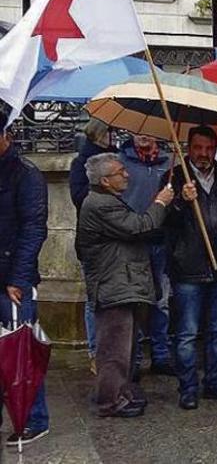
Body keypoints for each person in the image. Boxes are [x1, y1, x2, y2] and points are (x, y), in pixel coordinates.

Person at [76, 152, 181, 417]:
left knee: (126, 347)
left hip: (123, 283)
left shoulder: (109, 200)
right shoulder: (100, 204)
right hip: (114, 285)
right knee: (114, 351)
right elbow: (140, 226)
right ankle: (109, 401)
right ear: (105, 180)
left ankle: (120, 392)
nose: (127, 174)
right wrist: (160, 202)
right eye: (120, 172)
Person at [166, 126, 217, 410]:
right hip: (188, 268)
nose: (203, 154)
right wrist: (180, 202)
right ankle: (188, 387)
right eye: (198, 148)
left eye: (209, 149)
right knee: (187, 333)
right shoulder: (176, 177)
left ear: (215, 149)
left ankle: (215, 381)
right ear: (189, 148)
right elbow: (162, 223)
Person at [0, 122, 50, 445]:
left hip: (12, 280)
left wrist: (18, 278)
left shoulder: (26, 174)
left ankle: (33, 418)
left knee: (20, 352)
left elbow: (34, 229)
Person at [118, 134, 174, 376]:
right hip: (133, 241)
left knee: (161, 302)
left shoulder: (169, 162)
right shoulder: (121, 162)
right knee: (135, 301)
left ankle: (161, 353)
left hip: (160, 240)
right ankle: (136, 357)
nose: (143, 136)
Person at [69, 119, 117, 375]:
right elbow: (78, 197)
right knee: (93, 299)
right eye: (111, 131)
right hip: (93, 243)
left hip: (115, 242)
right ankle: (95, 351)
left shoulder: (117, 160)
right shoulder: (81, 163)